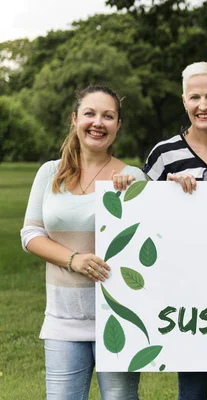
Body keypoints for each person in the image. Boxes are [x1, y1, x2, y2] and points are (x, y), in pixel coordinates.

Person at [20, 84, 144, 399]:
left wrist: (131, 198)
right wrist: (73, 258)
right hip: (62, 321)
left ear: (119, 125)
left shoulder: (133, 179)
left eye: (108, 116)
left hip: (119, 319)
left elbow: (147, 246)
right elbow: (31, 234)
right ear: (74, 120)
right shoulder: (50, 173)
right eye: (90, 114)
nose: (98, 123)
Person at [142, 61, 207, 400]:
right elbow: (142, 218)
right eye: (195, 97)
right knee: (191, 388)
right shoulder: (164, 154)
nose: (204, 105)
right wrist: (166, 192)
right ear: (184, 101)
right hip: (186, 290)